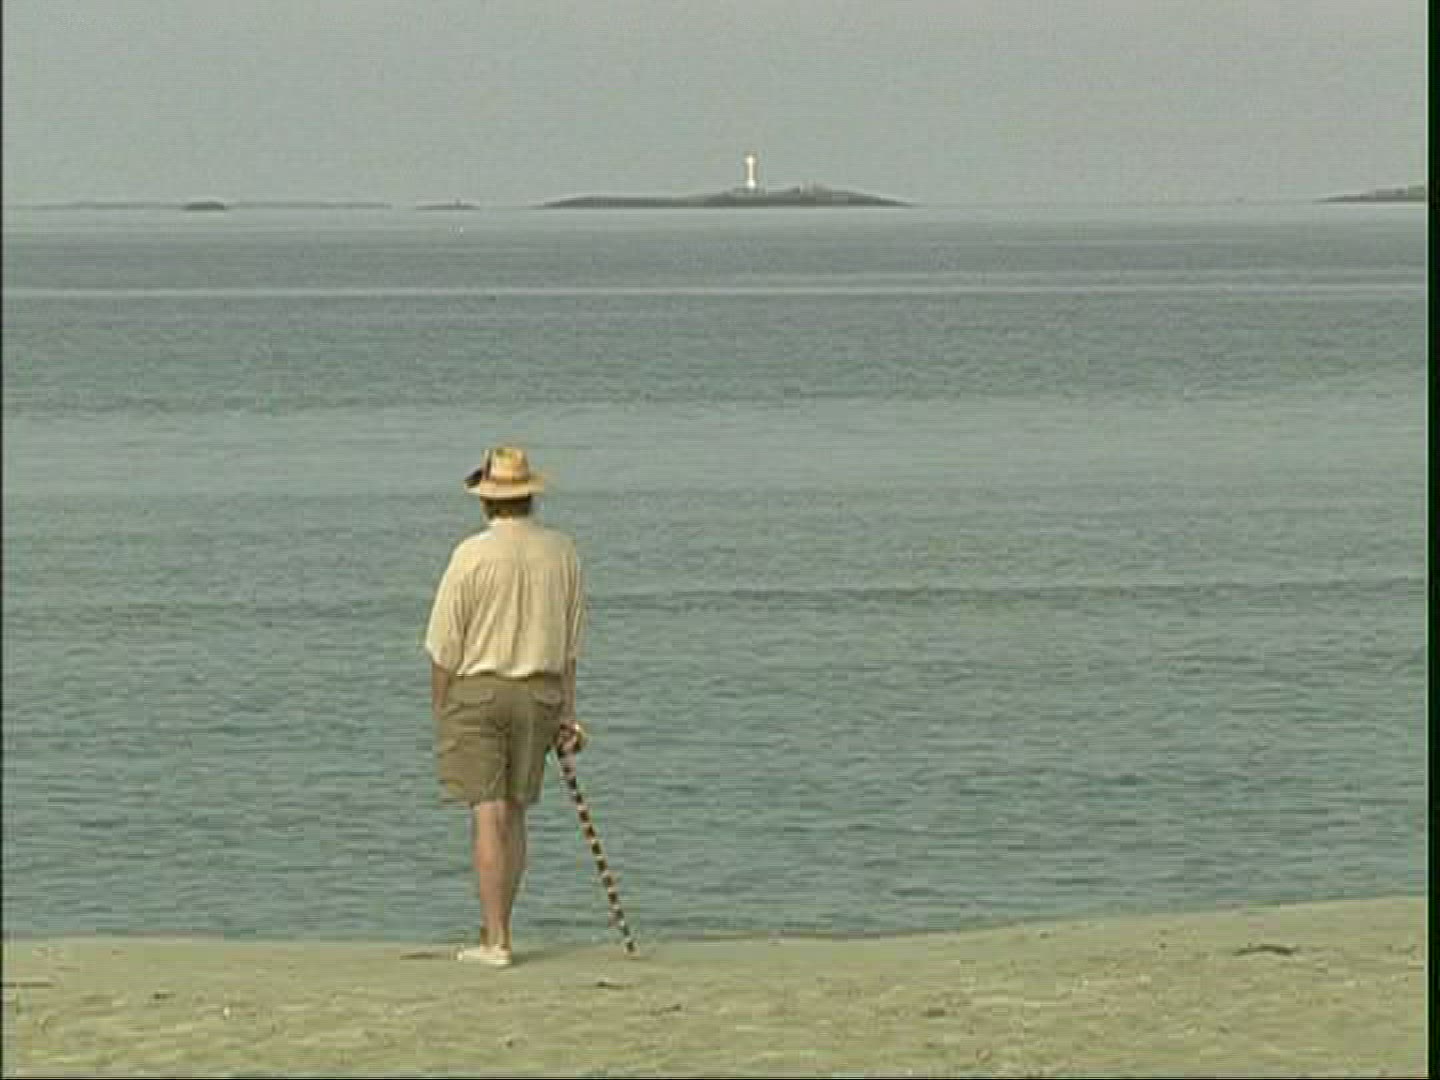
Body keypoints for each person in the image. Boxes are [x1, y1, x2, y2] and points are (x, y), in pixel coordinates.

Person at [424, 446, 585, 966]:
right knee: (515, 814)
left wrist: (441, 707)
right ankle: (502, 928)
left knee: (487, 812)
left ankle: (496, 939)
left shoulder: (471, 555)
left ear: (487, 500)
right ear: (530, 496)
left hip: (479, 690)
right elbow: (570, 646)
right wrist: (568, 712)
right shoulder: (562, 551)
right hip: (540, 692)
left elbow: (444, 645)